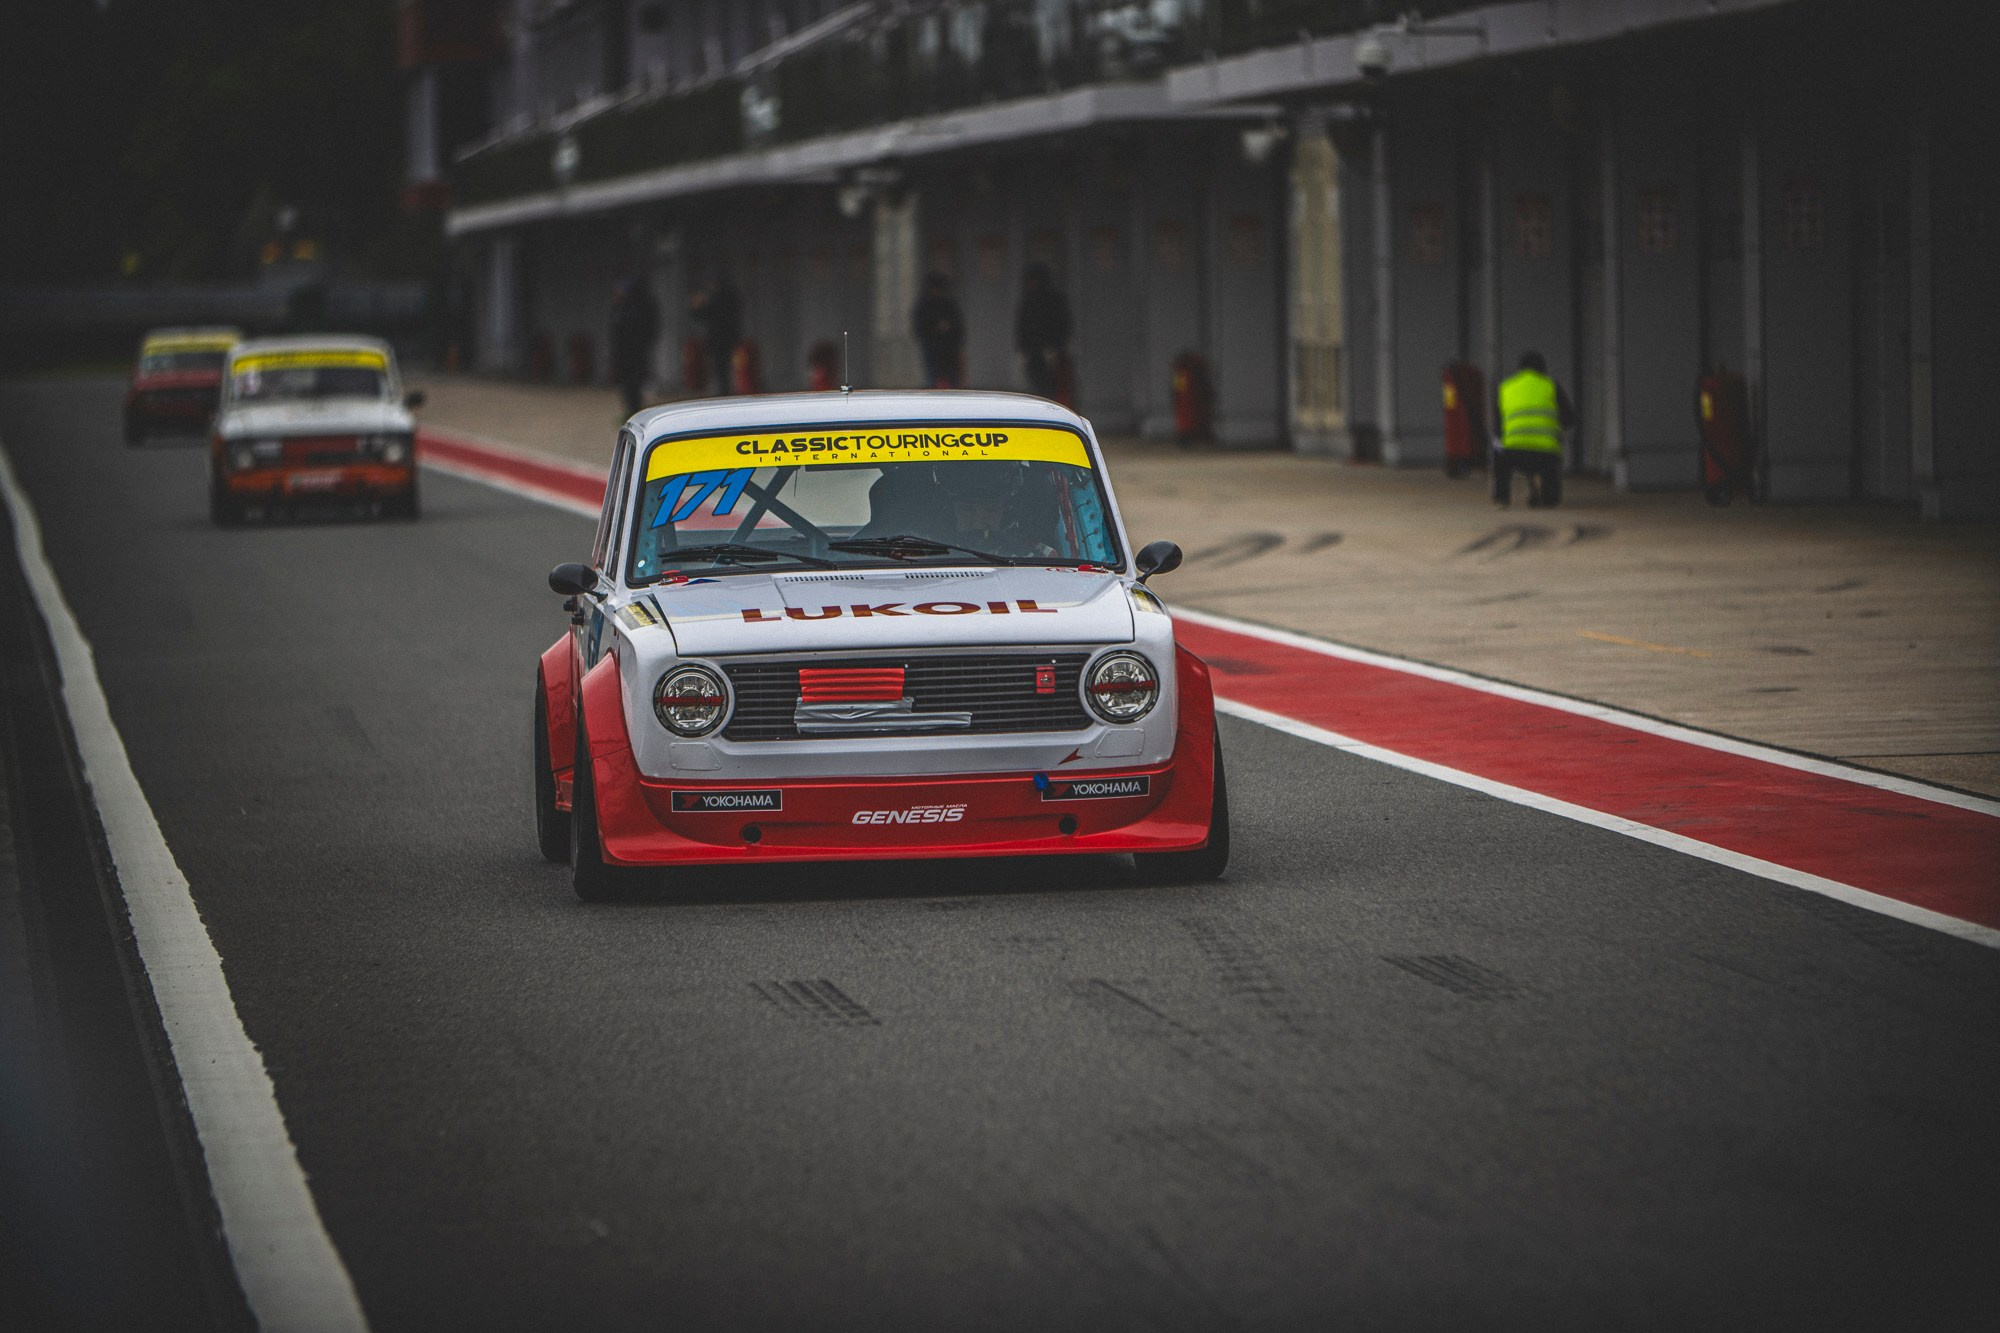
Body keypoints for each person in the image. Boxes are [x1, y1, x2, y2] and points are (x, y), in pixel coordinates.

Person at [1492, 350, 1575, 508]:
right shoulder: (1551, 385)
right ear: (1543, 368)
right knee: (1551, 457)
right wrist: (1556, 429)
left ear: (1520, 369)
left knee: (1498, 448)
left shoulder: (1506, 387)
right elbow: (1570, 418)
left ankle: (1501, 496)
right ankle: (1550, 497)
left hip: (1513, 453)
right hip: (1545, 454)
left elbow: (1498, 425)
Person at [1014, 262, 1072, 401]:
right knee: (1035, 388)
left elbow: (1063, 327)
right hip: (1033, 353)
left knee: (1050, 390)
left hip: (1050, 354)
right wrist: (1023, 349)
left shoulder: (1054, 300)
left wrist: (1055, 348)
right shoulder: (1028, 300)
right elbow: (1022, 327)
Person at [608, 275, 660, 416]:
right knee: (627, 386)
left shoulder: (637, 309)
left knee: (634, 386)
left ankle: (635, 411)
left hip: (635, 354)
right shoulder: (620, 308)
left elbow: (649, 331)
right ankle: (630, 410)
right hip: (625, 354)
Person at [688, 276, 742, 396]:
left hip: (718, 340)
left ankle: (723, 393)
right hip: (728, 339)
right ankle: (726, 392)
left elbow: (701, 314)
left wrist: (696, 305)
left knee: (720, 369)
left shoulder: (716, 300)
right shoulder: (731, 299)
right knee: (725, 368)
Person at [910, 272, 965, 388]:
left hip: (950, 350)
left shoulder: (948, 304)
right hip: (932, 349)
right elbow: (919, 328)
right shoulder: (924, 306)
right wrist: (935, 328)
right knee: (933, 378)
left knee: (951, 379)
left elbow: (958, 327)